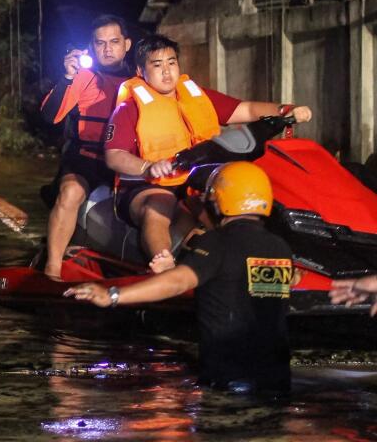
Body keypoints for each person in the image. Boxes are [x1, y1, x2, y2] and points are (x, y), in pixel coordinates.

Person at [65, 162, 294, 393]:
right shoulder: (280, 248)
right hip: (277, 379)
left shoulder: (217, 242)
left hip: (227, 381)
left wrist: (112, 295)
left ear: (218, 201)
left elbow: (178, 282)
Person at [105, 34, 312, 273]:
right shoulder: (128, 108)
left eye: (172, 63)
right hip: (148, 185)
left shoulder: (197, 97)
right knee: (159, 206)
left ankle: (265, 260)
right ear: (141, 70)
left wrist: (285, 109)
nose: (167, 72)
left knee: (233, 204)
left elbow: (245, 109)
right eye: (157, 65)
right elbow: (114, 155)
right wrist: (147, 167)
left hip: (194, 180)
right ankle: (163, 264)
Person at [39, 15, 135, 279]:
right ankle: (53, 267)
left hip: (127, 160)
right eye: (100, 43)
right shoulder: (82, 77)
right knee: (70, 192)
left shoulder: (141, 78)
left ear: (127, 44)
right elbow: (50, 117)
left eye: (114, 42)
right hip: (85, 159)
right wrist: (68, 77)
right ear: (91, 47)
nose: (107, 49)